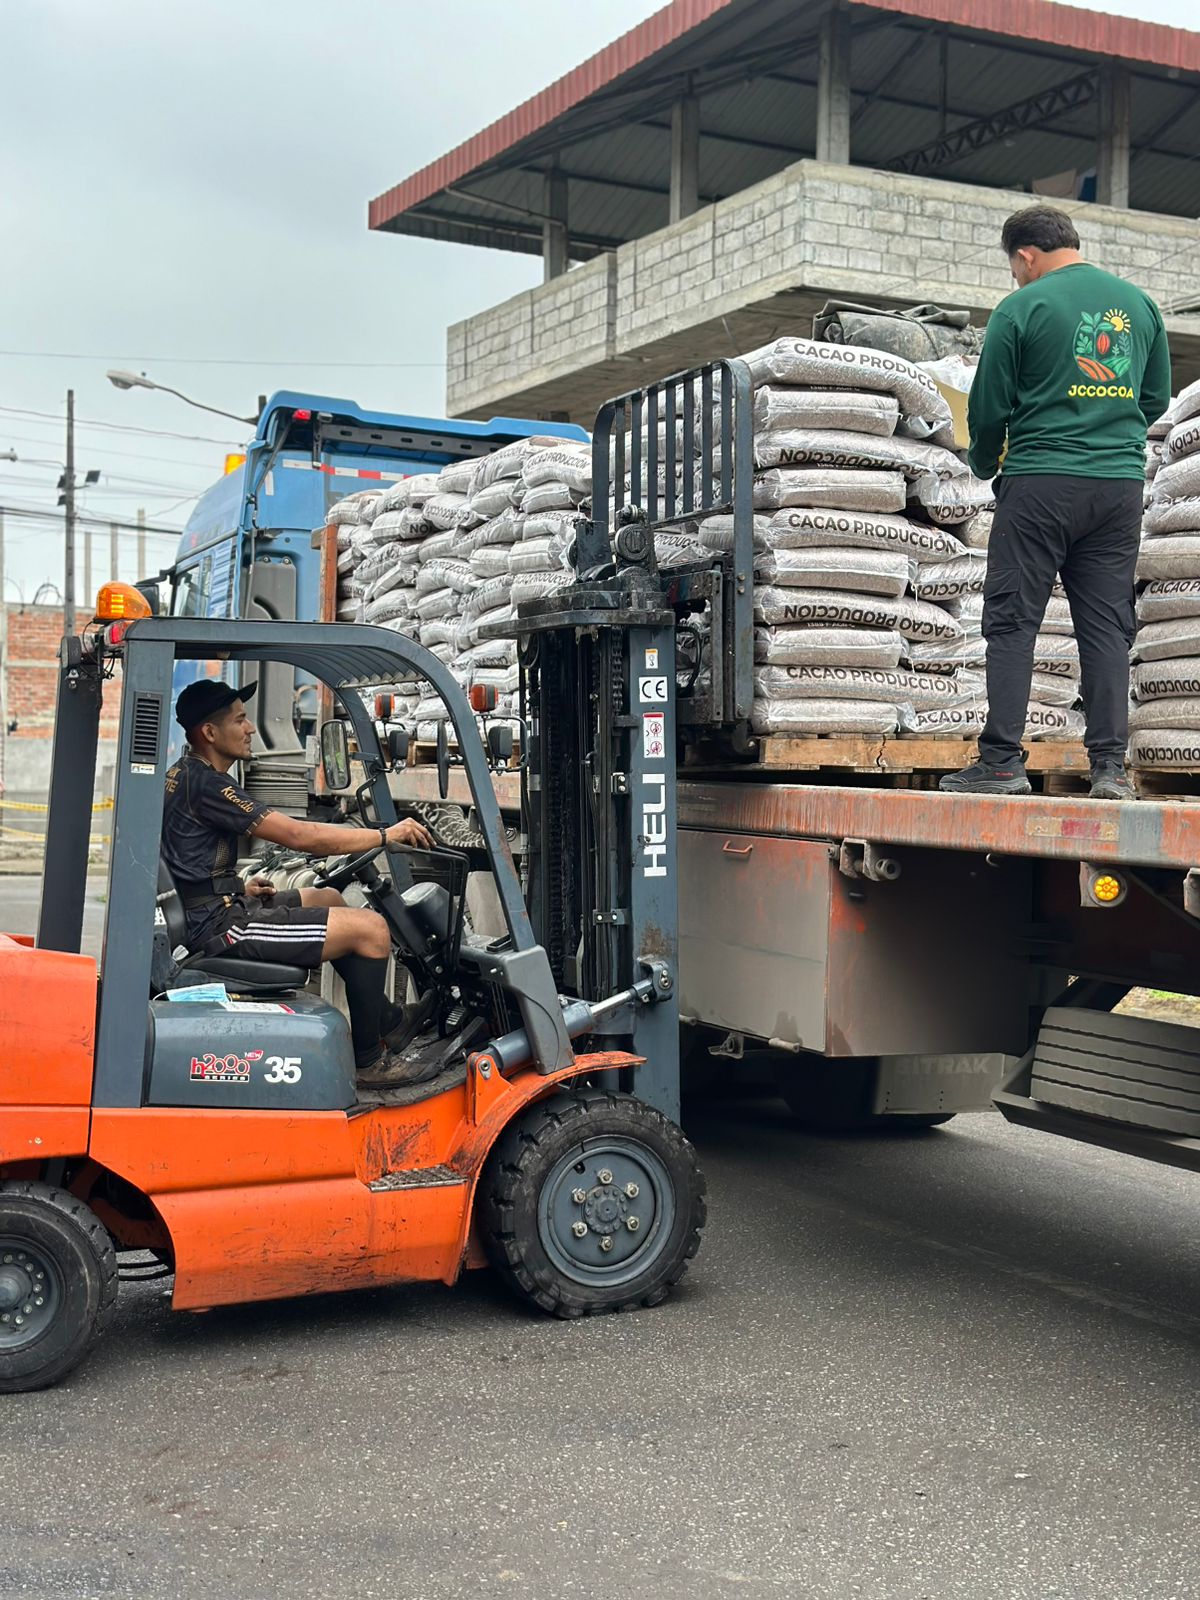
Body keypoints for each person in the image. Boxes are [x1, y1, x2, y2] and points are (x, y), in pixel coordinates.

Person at [941, 204, 1172, 801]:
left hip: (1041, 481)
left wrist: (987, 463)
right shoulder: (1138, 304)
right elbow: (1154, 400)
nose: (1015, 278)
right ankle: (1110, 771)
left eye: (1014, 268)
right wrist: (1107, 433)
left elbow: (988, 409)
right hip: (1119, 487)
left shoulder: (1021, 307)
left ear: (1025, 255)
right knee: (1106, 627)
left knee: (1014, 620)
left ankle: (1000, 764)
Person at [162, 679, 435, 1090]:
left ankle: (389, 1021)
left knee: (328, 896)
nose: (251, 728)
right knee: (372, 930)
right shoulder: (208, 784)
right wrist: (384, 836)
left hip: (216, 907)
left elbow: (187, 856)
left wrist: (236, 885)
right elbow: (298, 836)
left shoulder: (186, 774)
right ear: (210, 733)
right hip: (218, 928)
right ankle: (368, 1060)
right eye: (240, 720)